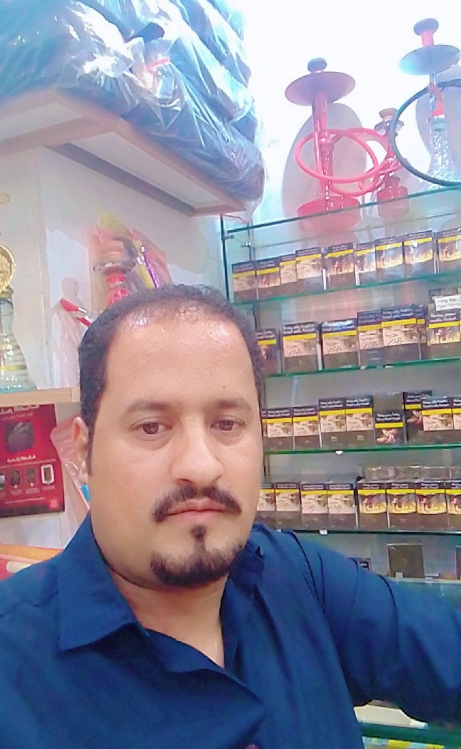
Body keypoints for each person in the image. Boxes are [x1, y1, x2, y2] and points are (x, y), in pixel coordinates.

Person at [0, 283, 460, 749]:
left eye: (226, 424)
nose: (201, 466)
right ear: (83, 451)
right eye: (151, 427)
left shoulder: (299, 578)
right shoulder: (13, 667)